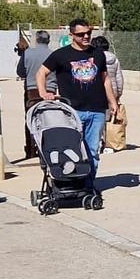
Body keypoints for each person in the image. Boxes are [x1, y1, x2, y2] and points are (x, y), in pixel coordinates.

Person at [36, 19, 119, 193]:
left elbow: (105, 80)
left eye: (88, 33)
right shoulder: (61, 55)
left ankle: (88, 186)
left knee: (93, 151)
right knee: (71, 150)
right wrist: (43, 92)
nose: (86, 36)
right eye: (81, 34)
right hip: (72, 111)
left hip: (97, 109)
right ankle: (71, 183)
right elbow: (41, 73)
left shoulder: (98, 54)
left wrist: (113, 102)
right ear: (71, 35)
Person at [16, 30, 54, 159]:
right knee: (48, 120)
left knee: (30, 119)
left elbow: (20, 72)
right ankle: (49, 148)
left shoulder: (28, 53)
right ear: (48, 41)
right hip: (50, 90)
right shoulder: (53, 55)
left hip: (31, 90)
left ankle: (31, 151)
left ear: (36, 40)